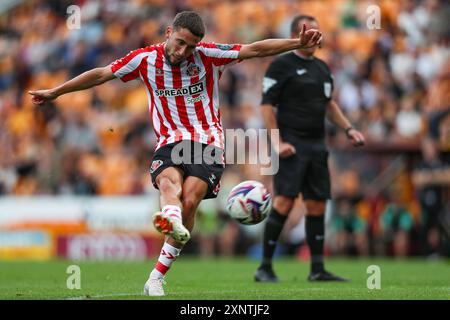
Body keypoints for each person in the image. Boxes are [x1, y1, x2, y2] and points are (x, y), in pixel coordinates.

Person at [29, 11, 323, 296]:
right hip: (169, 141)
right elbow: (101, 74)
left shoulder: (207, 55)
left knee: (191, 198)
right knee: (170, 184)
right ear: (168, 33)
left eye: (190, 46)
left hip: (208, 143)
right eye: (180, 43)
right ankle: (172, 220)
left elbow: (254, 49)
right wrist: (57, 91)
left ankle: (157, 274)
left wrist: (296, 43)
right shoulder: (144, 59)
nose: (183, 51)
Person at [254, 15, 365, 283]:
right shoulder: (280, 65)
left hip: (317, 145)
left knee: (316, 205)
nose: (316, 37)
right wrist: (277, 141)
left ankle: (317, 269)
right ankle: (265, 267)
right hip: (290, 144)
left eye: (318, 31)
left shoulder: (322, 68)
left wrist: (349, 128)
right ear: (296, 35)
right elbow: (267, 105)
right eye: (309, 31)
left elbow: (329, 104)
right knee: (284, 202)